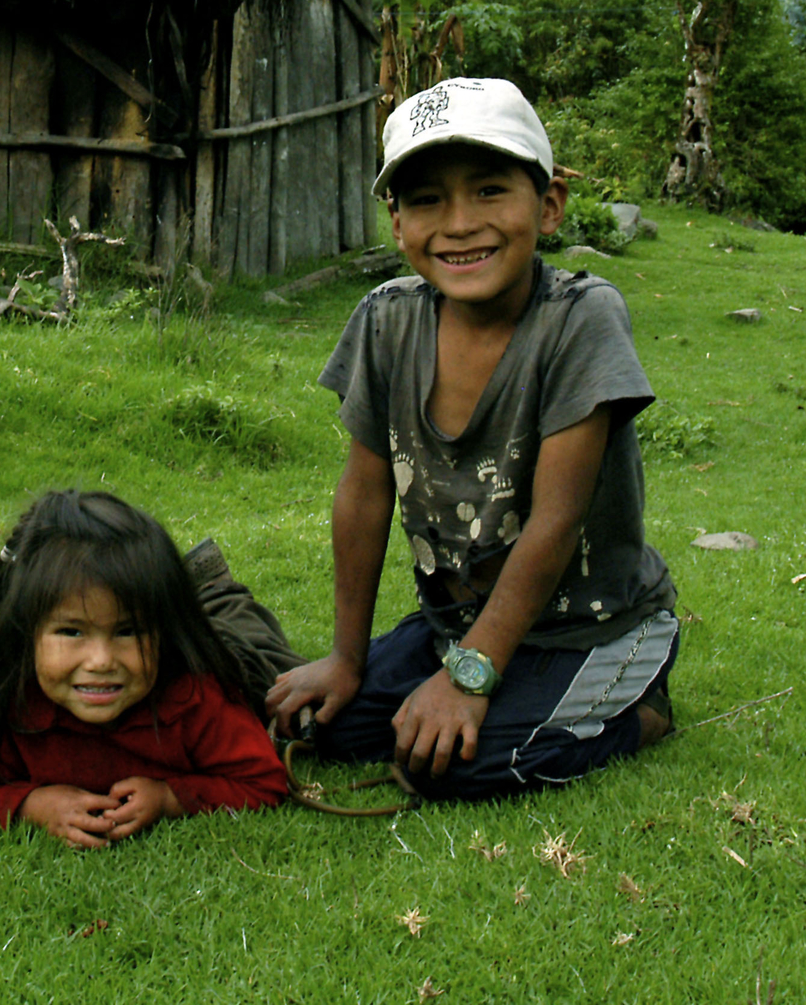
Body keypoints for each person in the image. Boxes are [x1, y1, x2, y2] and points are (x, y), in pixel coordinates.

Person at [267, 76, 678, 800]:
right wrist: (344, 656)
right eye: (427, 200)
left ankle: (639, 710)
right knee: (323, 727)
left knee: (462, 766)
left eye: (490, 190)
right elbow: (363, 493)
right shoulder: (386, 321)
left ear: (547, 207)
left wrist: (473, 676)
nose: (459, 223)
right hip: (455, 625)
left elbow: (556, 519)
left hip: (587, 628)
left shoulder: (580, 320)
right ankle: (457, 668)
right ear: (397, 225)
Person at [0, 489, 292, 846]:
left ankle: (218, 590)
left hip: (243, 653)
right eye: (72, 631)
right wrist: (34, 805)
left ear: (163, 633)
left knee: (248, 638)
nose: (101, 661)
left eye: (128, 631)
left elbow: (265, 781)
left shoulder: (197, 698)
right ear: (25, 636)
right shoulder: (16, 703)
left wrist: (169, 798)